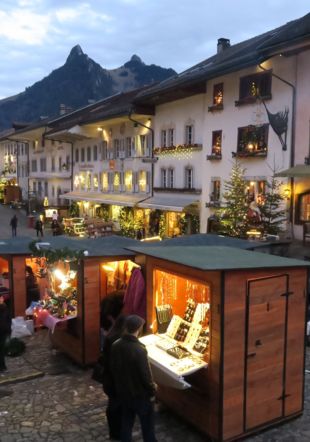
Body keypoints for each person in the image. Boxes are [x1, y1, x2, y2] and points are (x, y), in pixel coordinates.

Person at [111, 315, 157, 442]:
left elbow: (113, 368)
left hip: (124, 392)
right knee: (147, 425)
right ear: (139, 329)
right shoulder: (139, 350)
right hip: (140, 394)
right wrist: (152, 389)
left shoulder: (116, 345)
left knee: (126, 422)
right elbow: (145, 375)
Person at [101, 315, 127, 441]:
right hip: (116, 381)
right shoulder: (118, 341)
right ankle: (118, 433)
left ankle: (114, 432)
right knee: (117, 407)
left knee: (112, 406)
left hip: (109, 379)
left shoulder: (110, 337)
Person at [0, 295, 11, 372]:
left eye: (2, 298)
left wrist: (9, 329)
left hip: (4, 331)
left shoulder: (5, 307)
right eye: (0, 298)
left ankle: (2, 366)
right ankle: (2, 366)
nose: (2, 299)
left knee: (2, 350)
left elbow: (8, 319)